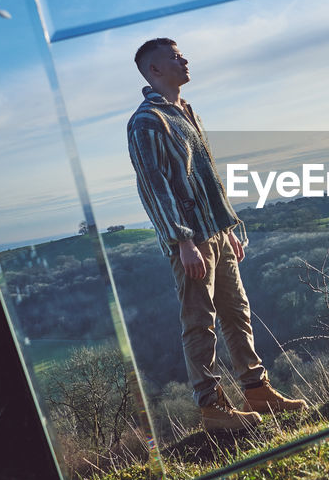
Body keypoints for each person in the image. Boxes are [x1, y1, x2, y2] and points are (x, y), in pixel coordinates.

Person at [127, 37, 307, 432]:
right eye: (175, 57)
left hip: (218, 234)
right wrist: (183, 241)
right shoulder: (146, 122)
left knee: (237, 312)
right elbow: (154, 186)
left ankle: (257, 391)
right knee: (199, 320)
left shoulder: (186, 111)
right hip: (190, 241)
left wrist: (230, 229)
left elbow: (207, 176)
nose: (185, 60)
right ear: (155, 70)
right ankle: (212, 408)